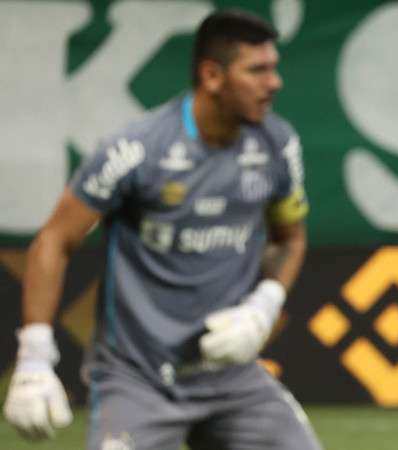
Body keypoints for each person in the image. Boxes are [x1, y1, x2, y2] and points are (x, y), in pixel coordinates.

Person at [3, 9, 322, 450]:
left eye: (274, 68)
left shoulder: (277, 144)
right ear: (212, 76)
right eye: (258, 70)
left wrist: (263, 306)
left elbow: (291, 238)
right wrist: (35, 356)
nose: (275, 83)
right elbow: (55, 239)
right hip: (136, 381)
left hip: (232, 378)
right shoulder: (135, 150)